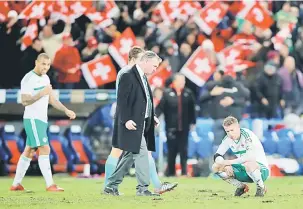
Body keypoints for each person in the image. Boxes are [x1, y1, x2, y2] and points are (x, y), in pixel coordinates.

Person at [103, 47, 177, 194]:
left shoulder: (142, 76)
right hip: (132, 123)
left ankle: (110, 186)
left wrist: (151, 115)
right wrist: (126, 120)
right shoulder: (127, 74)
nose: (156, 69)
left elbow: (146, 100)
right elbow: (122, 102)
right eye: (154, 66)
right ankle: (143, 188)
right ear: (146, 61)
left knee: (130, 155)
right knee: (143, 152)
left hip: (140, 121)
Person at [10, 53, 76, 192]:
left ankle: (16, 184)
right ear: (36, 62)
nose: (45, 67)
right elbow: (24, 101)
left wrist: (66, 110)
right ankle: (50, 184)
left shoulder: (45, 78)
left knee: (29, 150)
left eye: (48, 65)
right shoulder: (28, 79)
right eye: (43, 64)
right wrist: (42, 93)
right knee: (45, 148)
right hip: (32, 119)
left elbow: (51, 99)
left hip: (41, 120)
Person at [212, 116, 269, 197]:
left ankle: (261, 187)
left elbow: (250, 157)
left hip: (261, 170)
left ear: (238, 127)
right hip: (244, 169)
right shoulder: (227, 139)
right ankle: (241, 187)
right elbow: (217, 155)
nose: (230, 134)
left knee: (249, 163)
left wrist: (229, 162)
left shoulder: (247, 135)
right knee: (216, 167)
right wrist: (224, 164)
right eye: (227, 131)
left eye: (232, 130)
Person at [156, 73, 196, 176]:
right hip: (171, 126)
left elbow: (192, 109)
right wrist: (154, 117)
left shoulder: (188, 93)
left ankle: (184, 172)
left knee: (184, 150)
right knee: (171, 150)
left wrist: (193, 122)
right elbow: (160, 108)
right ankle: (170, 173)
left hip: (185, 126)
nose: (182, 83)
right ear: (174, 82)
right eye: (180, 81)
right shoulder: (167, 93)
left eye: (183, 81)